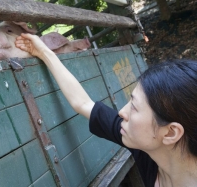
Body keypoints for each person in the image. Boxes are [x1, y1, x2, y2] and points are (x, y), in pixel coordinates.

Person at [15, 33, 197, 187]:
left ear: (171, 133)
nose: (121, 113)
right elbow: (83, 103)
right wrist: (43, 51)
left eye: (134, 107)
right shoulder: (148, 147)